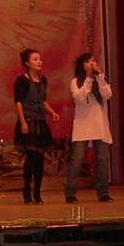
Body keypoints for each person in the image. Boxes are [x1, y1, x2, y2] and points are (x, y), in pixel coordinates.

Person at [65, 52, 114, 204]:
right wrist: (89, 78)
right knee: (77, 159)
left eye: (93, 61)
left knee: (102, 160)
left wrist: (99, 77)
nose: (92, 63)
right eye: (88, 61)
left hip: (100, 125)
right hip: (82, 126)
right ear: (82, 65)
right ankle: (70, 193)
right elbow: (80, 97)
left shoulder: (101, 79)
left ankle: (103, 193)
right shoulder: (75, 82)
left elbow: (107, 95)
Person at [14, 48, 60, 204]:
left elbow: (43, 101)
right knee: (31, 157)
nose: (39, 62)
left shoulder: (43, 80)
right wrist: (23, 122)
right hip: (29, 121)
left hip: (41, 122)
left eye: (40, 59)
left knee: (40, 159)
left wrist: (52, 112)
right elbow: (18, 102)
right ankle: (27, 189)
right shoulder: (22, 80)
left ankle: (38, 192)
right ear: (27, 63)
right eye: (35, 59)